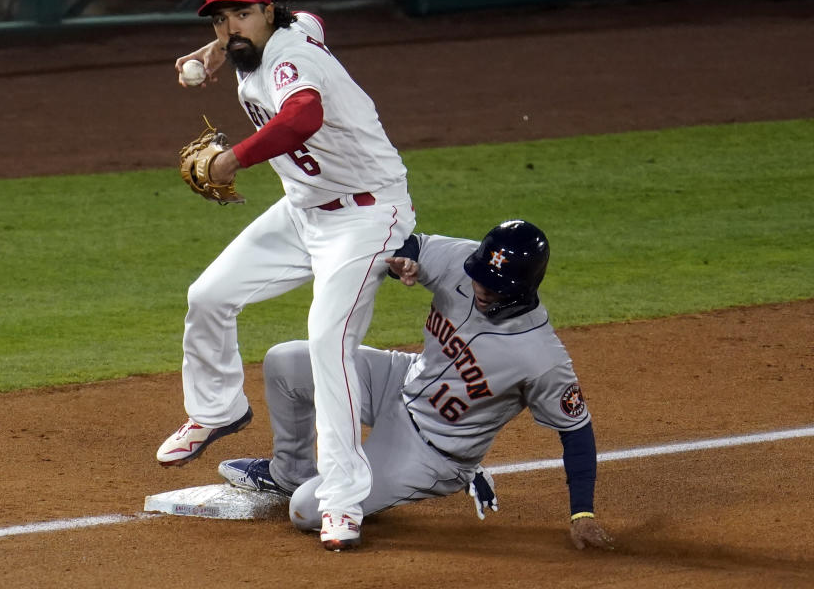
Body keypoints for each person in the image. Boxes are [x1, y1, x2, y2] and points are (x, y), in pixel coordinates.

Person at [154, 0, 416, 552]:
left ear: (270, 11)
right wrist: (222, 48)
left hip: (366, 217)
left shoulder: (291, 58)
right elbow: (312, 21)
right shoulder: (288, 32)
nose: (232, 26)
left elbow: (303, 117)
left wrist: (234, 160)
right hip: (304, 210)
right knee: (210, 295)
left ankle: (343, 500)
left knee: (328, 342)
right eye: (222, 18)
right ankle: (217, 409)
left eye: (243, 14)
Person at [217, 220, 614, 551]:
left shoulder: (541, 358)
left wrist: (583, 513)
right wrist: (401, 262)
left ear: (521, 290)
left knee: (306, 511)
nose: (479, 286)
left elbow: (576, 430)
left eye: (492, 286)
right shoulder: (465, 261)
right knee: (285, 362)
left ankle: (461, 470)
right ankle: (290, 472)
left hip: (430, 451)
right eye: (479, 276)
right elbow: (413, 245)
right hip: (399, 378)